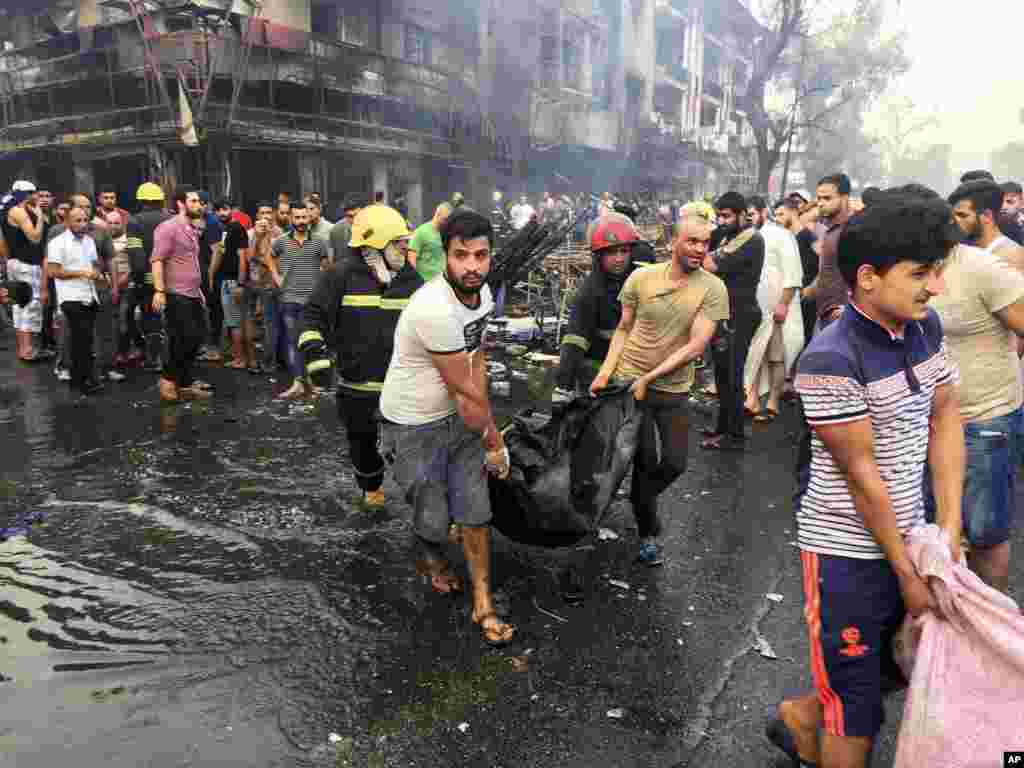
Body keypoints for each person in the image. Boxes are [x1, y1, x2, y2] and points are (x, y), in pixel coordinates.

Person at [769, 196, 964, 768]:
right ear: (868, 278)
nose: (935, 288)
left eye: (937, 271)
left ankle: (799, 718)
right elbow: (862, 478)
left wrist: (948, 528)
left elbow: (946, 414)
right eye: (920, 274)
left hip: (912, 534)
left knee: (896, 666)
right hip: (846, 554)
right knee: (856, 709)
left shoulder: (925, 329)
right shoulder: (830, 358)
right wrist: (906, 573)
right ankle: (818, 719)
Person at [378, 210, 515, 647]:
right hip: (414, 422)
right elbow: (464, 390)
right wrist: (495, 443)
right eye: (461, 255)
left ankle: (483, 602)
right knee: (432, 518)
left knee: (475, 512)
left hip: (458, 415)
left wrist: (480, 428)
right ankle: (434, 560)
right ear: (445, 257)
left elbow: (475, 360)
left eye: (481, 255)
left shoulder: (484, 294)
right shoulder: (433, 308)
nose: (472, 266)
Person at [590, 215, 729, 564]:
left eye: (705, 243)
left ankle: (638, 498)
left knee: (675, 462)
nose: (700, 249)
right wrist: (605, 373)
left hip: (670, 389)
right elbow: (624, 329)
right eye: (693, 241)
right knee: (645, 460)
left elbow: (697, 346)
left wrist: (649, 378)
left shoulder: (713, 288)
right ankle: (649, 534)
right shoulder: (641, 278)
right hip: (630, 383)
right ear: (674, 241)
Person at [300, 205, 423, 509]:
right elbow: (312, 316)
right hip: (357, 387)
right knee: (362, 443)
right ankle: (372, 490)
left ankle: (425, 503)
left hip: (403, 388)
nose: (405, 249)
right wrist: (316, 357)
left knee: (414, 447)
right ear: (375, 244)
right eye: (398, 243)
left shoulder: (411, 279)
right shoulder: (339, 275)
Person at [930, 202, 1024, 592]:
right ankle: (953, 627)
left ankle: (992, 625)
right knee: (938, 531)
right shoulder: (902, 267)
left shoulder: (983, 268)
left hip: (985, 418)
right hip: (927, 423)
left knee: (984, 531)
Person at [700, 192, 765, 451]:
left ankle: (735, 435)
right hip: (725, 313)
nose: (722, 221)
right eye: (720, 216)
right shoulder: (729, 235)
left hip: (741, 314)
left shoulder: (750, 238)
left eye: (727, 216)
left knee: (733, 374)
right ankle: (723, 427)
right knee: (722, 373)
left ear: (741, 215)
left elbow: (710, 264)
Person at [552, 212, 639, 401]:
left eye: (623, 251)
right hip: (598, 374)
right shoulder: (590, 293)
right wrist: (563, 387)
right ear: (598, 256)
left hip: (638, 371)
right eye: (611, 252)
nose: (618, 259)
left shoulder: (641, 280)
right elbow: (575, 341)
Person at [744, 196, 803, 421]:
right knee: (755, 355)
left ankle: (773, 402)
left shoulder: (781, 235)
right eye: (746, 216)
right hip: (755, 308)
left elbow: (793, 274)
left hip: (777, 309)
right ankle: (752, 400)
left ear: (762, 212)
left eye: (752, 214)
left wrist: (783, 304)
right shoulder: (747, 237)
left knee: (776, 357)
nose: (749, 219)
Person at [152, 187, 211, 403]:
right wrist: (159, 291)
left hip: (193, 293)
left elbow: (191, 262)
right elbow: (157, 260)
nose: (199, 205)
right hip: (176, 293)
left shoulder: (192, 228)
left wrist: (199, 292)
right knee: (180, 337)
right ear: (181, 204)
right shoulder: (168, 228)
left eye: (200, 202)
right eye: (193, 201)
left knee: (196, 337)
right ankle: (167, 381)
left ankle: (185, 384)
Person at [270, 204, 329, 400]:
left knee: (310, 342)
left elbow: (326, 267)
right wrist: (276, 277)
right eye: (297, 217)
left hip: (312, 302)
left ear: (309, 218)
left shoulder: (320, 242)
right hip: (289, 300)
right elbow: (269, 258)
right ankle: (298, 383)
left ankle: (310, 383)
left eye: (304, 217)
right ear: (291, 219)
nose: (301, 221)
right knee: (292, 341)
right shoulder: (280, 242)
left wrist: (322, 286)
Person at [47, 206, 106, 398]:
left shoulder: (89, 241)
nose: (82, 224)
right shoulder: (58, 243)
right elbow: (54, 271)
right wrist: (81, 273)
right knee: (80, 339)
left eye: (85, 220)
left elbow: (95, 264)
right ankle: (81, 381)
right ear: (67, 221)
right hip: (71, 296)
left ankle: (84, 378)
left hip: (89, 294)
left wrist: (97, 272)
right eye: (77, 221)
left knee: (87, 339)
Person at [125, 182, 172, 371]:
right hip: (174, 279)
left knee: (151, 319)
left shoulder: (135, 221)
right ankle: (172, 358)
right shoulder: (173, 219)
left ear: (141, 200)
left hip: (148, 280)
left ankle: (155, 359)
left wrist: (138, 279)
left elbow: (136, 255)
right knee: (172, 319)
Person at [2, 181, 48, 362]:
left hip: (14, 263)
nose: (36, 196)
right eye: (33, 192)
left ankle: (24, 349)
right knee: (29, 304)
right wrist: (40, 215)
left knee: (19, 306)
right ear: (25, 194)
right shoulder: (19, 211)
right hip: (26, 264)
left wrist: (7, 261)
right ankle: (27, 349)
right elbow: (35, 238)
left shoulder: (7, 211)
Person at [801, 173, 853, 331]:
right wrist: (807, 292)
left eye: (827, 198)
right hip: (824, 315)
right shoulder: (830, 230)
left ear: (844, 198)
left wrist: (850, 310)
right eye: (819, 198)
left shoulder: (852, 231)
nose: (821, 203)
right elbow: (827, 271)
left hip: (843, 319)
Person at [948, 179, 1024, 268]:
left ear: (987, 216)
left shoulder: (1013, 258)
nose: (955, 221)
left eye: (962, 215)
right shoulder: (960, 252)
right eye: (953, 216)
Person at [240, 202, 279, 373]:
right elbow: (247, 258)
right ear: (256, 215)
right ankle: (252, 360)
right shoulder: (249, 234)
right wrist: (257, 237)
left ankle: (268, 361)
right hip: (252, 283)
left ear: (273, 214)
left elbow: (277, 260)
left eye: (269, 212)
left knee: (269, 324)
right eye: (262, 212)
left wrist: (268, 238)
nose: (265, 216)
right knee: (249, 321)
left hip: (270, 283)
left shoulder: (279, 234)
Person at [775, 197, 819, 347]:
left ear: (793, 212)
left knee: (802, 342)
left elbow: (826, 263)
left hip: (805, 298)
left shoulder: (808, 236)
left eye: (781, 214)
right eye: (775, 215)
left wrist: (812, 287)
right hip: (790, 298)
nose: (777, 219)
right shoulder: (785, 238)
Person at [212, 199, 250, 368]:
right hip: (227, 280)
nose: (222, 213)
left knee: (235, 321)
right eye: (218, 210)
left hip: (233, 281)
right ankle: (239, 357)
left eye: (225, 209)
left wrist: (240, 283)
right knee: (233, 321)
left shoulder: (236, 228)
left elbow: (243, 257)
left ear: (231, 210)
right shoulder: (225, 230)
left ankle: (240, 359)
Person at [408, 203, 451, 282]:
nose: (447, 222)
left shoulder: (447, 233)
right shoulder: (421, 232)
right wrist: (414, 282)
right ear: (437, 215)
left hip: (442, 283)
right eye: (445, 219)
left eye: (448, 220)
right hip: (424, 283)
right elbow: (411, 259)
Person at [305, 194, 335, 263]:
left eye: (312, 209)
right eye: (306, 210)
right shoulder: (303, 230)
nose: (309, 212)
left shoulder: (330, 228)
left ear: (319, 209)